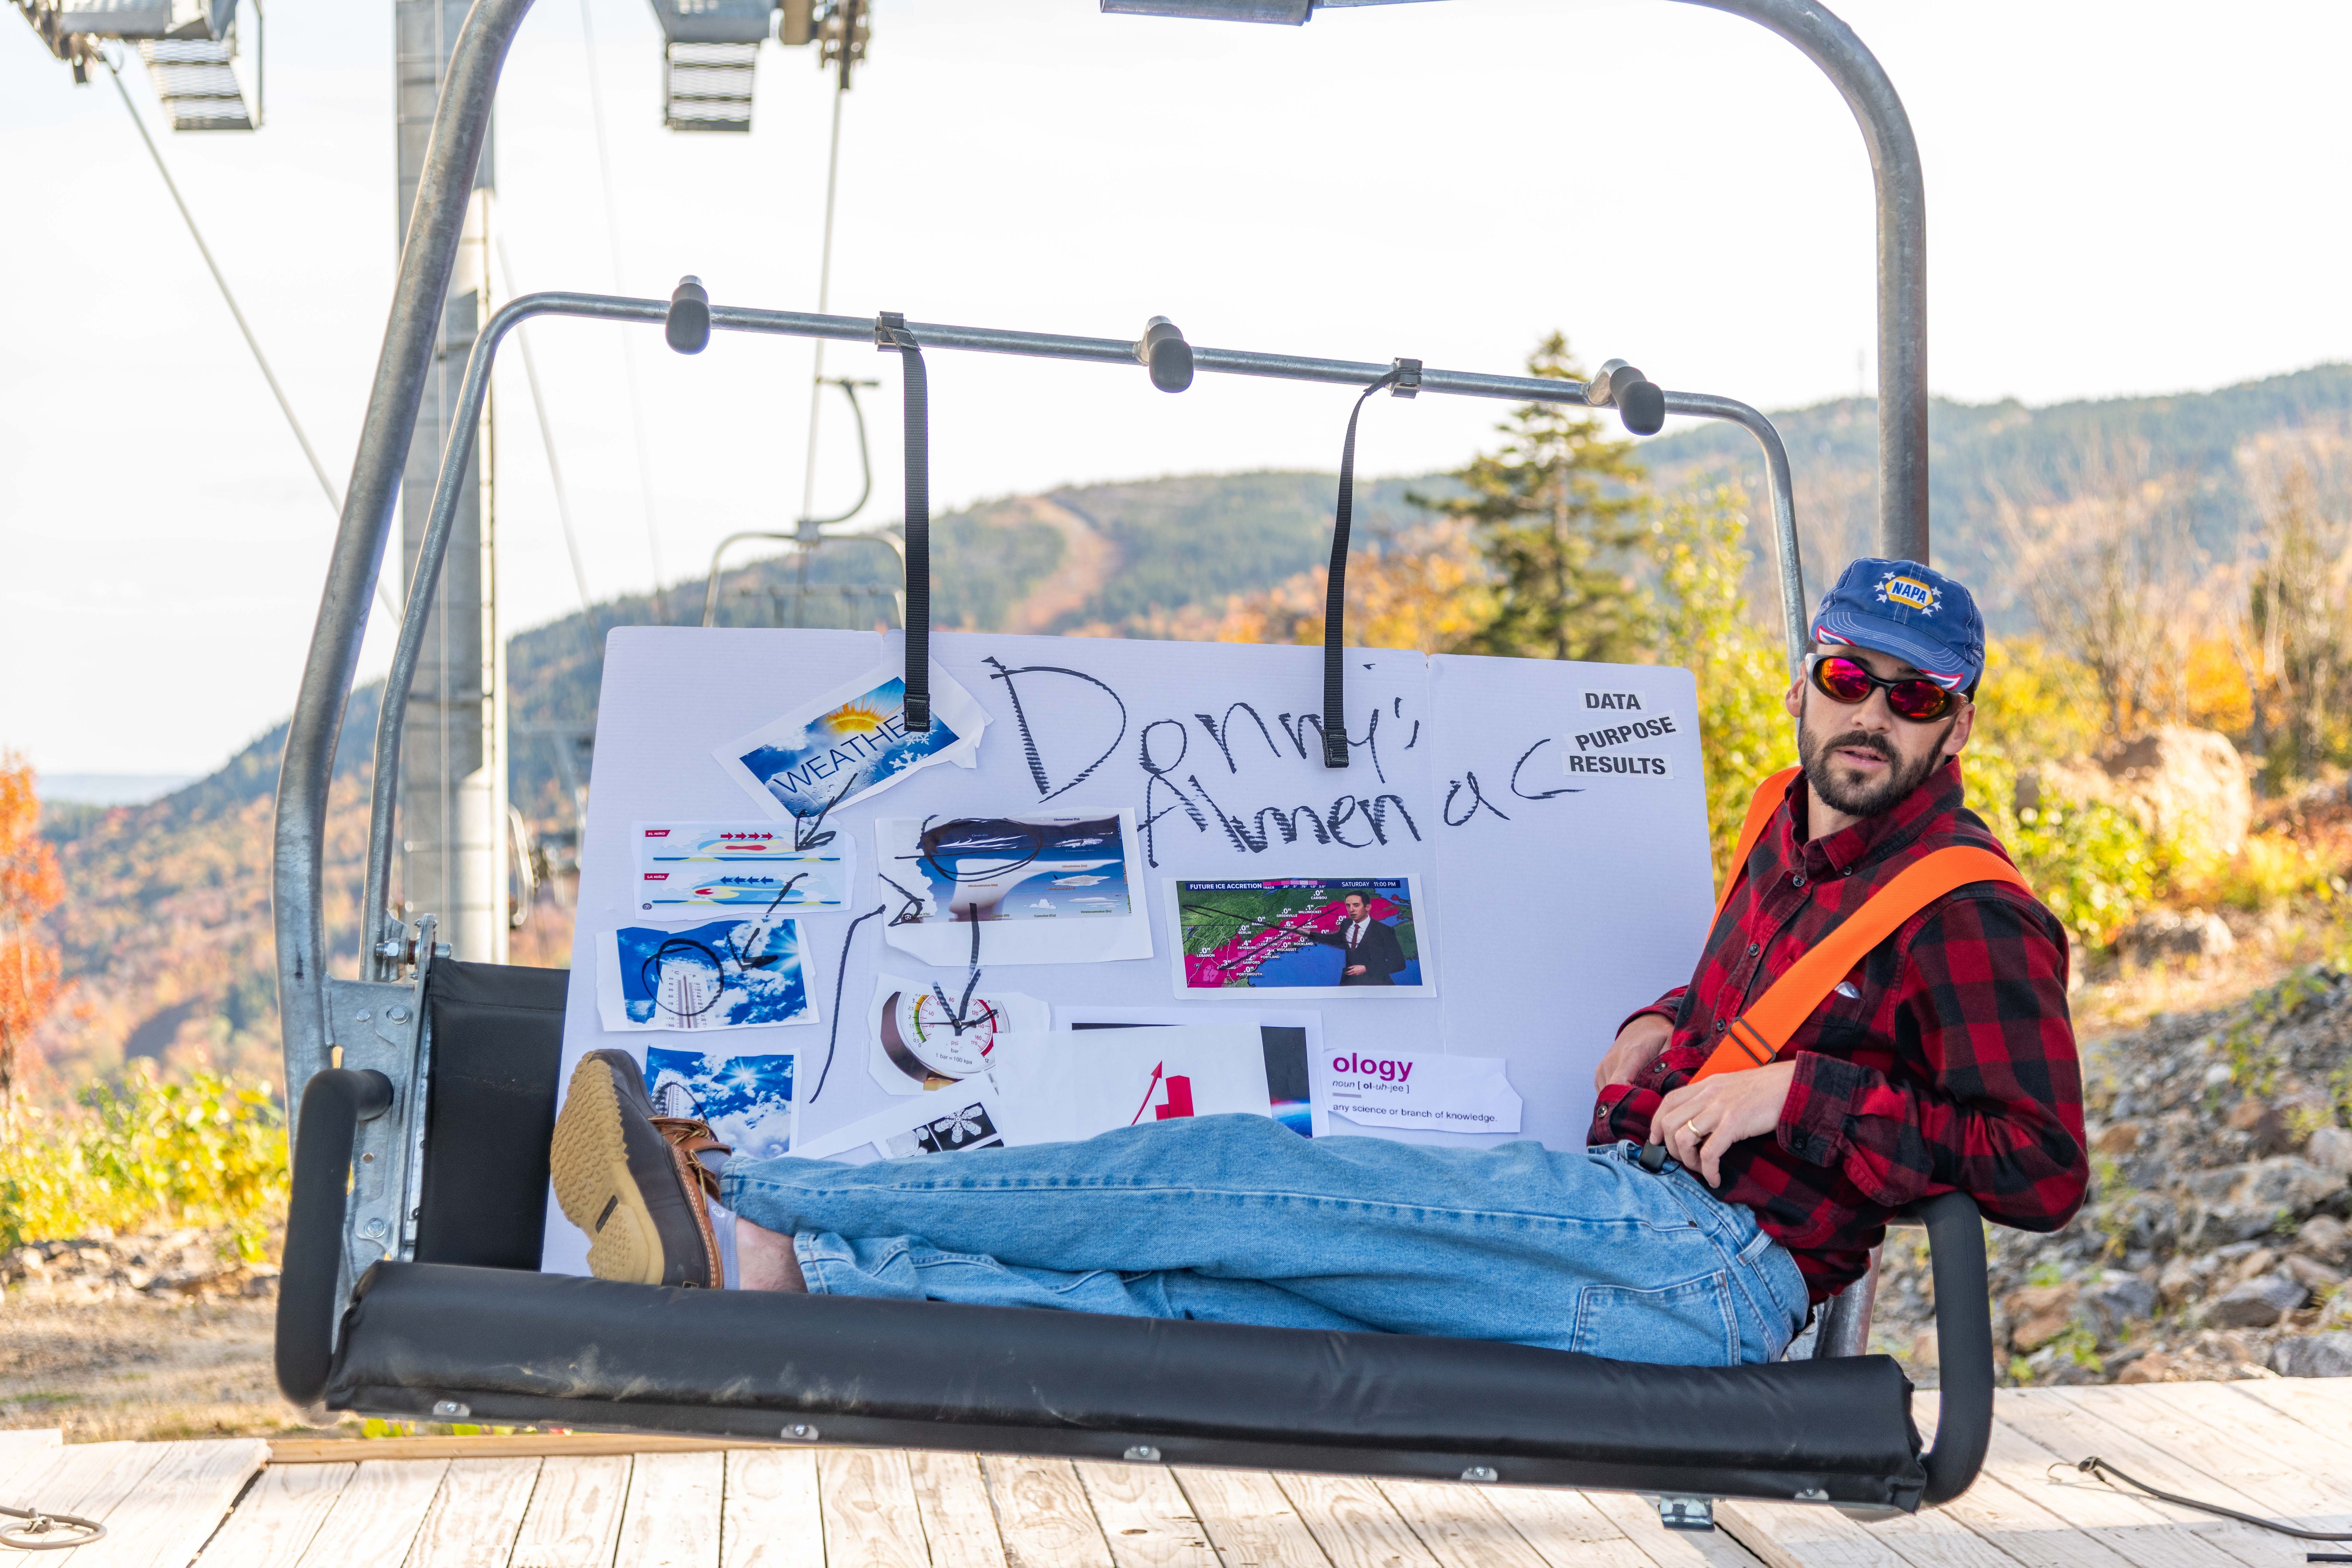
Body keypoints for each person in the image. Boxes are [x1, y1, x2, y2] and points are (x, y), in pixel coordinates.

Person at [549, 557, 2087, 1367]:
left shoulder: (1972, 913)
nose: (1870, 716)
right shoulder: (1786, 825)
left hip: (1711, 1270)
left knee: (1233, 1179)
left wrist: (1792, 1101)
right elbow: (1745, 1002)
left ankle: (761, 1187)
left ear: (1957, 722)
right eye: (1846, 678)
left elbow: (2039, 1166)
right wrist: (1664, 1028)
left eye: (1912, 697)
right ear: (1808, 680)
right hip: (1638, 1225)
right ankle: (790, 1271)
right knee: (1182, 1305)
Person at [1306, 890, 1408, 985]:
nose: (1351, 910)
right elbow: (1335, 940)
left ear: (1368, 907)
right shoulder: (1346, 924)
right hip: (1349, 983)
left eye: (1356, 905)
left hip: (1377, 985)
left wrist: (1367, 969)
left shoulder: (1384, 931)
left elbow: (1399, 964)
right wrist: (1306, 933)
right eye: (1348, 906)